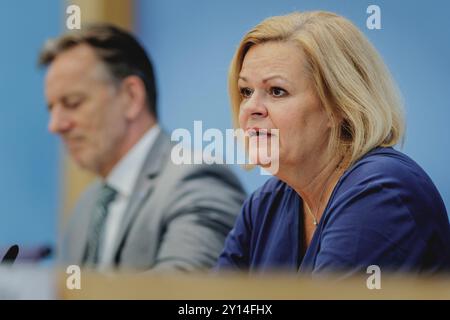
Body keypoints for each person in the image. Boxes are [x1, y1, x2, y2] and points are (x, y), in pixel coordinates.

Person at [216, 11, 450, 275]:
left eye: (277, 91)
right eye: (246, 91)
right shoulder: (266, 204)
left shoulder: (381, 191)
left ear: (339, 106)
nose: (250, 108)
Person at [39, 24, 246, 272]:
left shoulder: (198, 179)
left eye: (72, 103)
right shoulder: (86, 206)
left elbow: (181, 295)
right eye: (51, 109)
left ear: (131, 96)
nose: (55, 125)